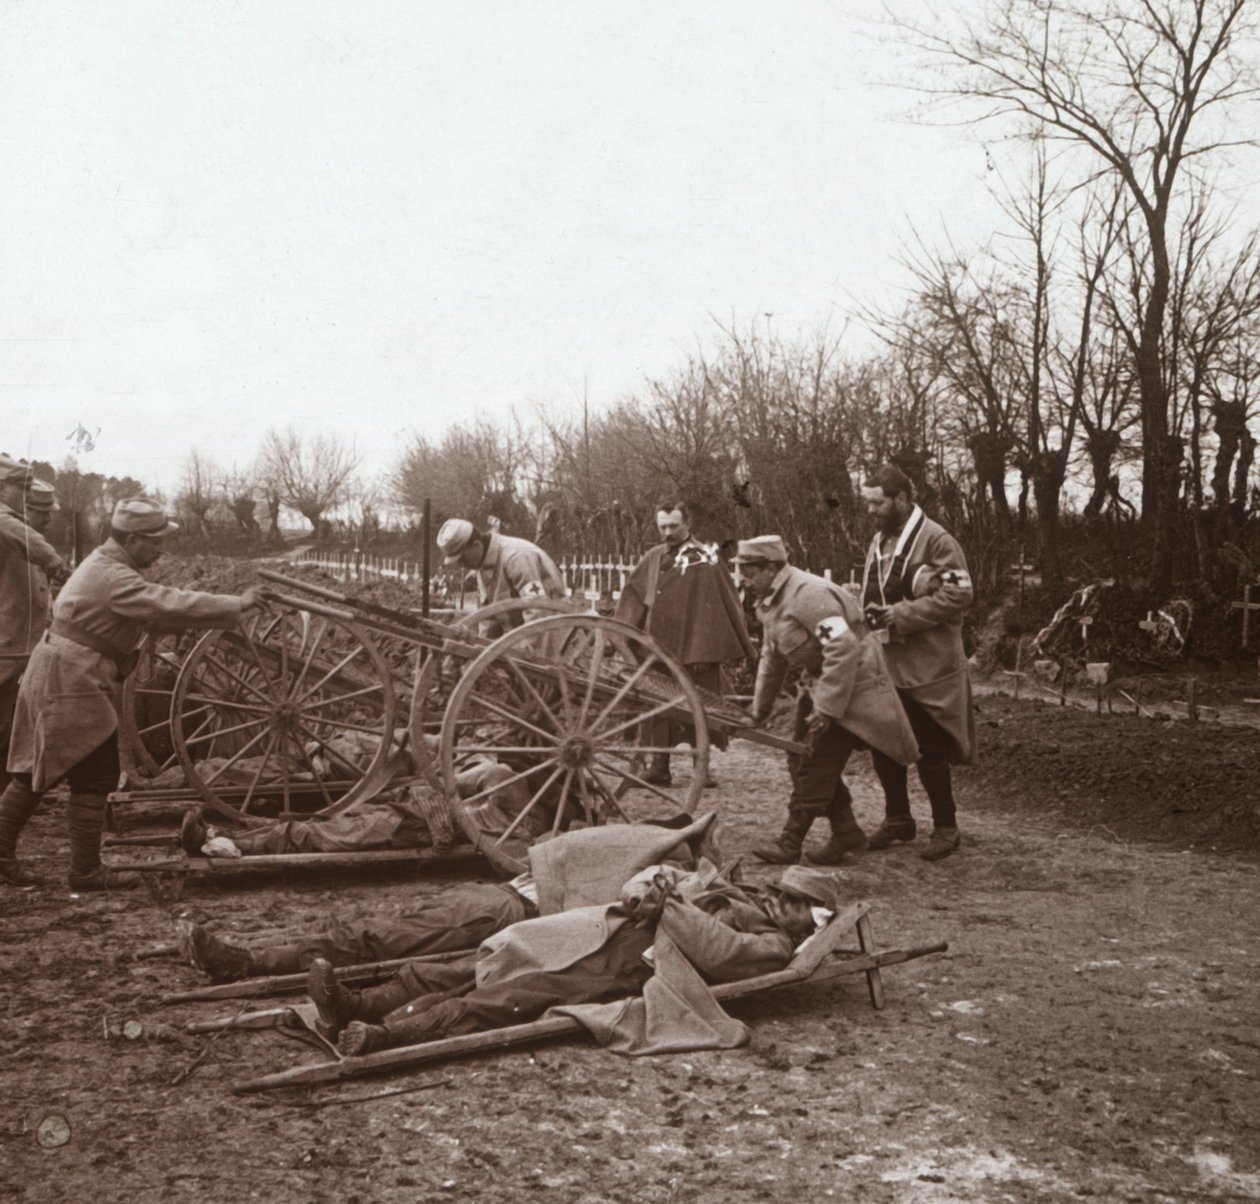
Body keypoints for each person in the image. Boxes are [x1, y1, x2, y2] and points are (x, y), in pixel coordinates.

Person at [307, 856, 839, 1057]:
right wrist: (648, 887)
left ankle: (384, 1036)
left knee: (512, 996)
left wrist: (669, 904)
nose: (780, 901)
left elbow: (722, 953)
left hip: (633, 968)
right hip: (600, 929)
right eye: (781, 891)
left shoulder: (773, 947)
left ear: (812, 921)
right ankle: (354, 1003)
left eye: (796, 904)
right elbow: (660, 875)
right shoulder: (730, 891)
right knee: (478, 960)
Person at [0, 498, 266, 889]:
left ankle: (9, 856)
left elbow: (153, 611)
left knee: (34, 771)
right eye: (155, 541)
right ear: (134, 538)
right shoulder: (112, 576)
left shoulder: (108, 566)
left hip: (61, 673)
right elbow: (164, 601)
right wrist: (236, 603)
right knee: (92, 774)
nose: (161, 549)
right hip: (71, 681)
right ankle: (85, 872)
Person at [177, 815, 716, 983]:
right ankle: (255, 954)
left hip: (506, 910)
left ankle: (246, 962)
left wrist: (659, 880)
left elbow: (639, 896)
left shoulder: (666, 873)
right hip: (497, 898)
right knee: (384, 930)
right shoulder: (649, 852)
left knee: (381, 938)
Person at [737, 535, 919, 865]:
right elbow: (772, 657)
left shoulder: (809, 596)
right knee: (798, 757)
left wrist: (827, 707)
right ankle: (845, 831)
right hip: (823, 682)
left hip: (854, 687)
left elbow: (843, 648)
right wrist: (758, 710)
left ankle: (790, 842)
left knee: (814, 761)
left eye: (749, 572)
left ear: (770, 568)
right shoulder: (772, 602)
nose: (744, 580)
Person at [859, 465, 976, 862]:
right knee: (883, 742)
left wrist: (902, 616)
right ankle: (898, 819)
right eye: (868, 503)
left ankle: (946, 827)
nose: (871, 511)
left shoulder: (938, 540)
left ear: (902, 499)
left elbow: (960, 594)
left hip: (928, 668)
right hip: (889, 662)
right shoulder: (879, 540)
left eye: (878, 502)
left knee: (930, 748)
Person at [615, 500, 754, 786]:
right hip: (657, 649)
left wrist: (704, 648)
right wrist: (623, 636)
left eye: (673, 526)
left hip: (695, 650)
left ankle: (701, 766)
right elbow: (634, 593)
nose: (667, 532)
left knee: (698, 707)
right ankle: (659, 766)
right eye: (662, 526)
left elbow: (715, 606)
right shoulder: (654, 556)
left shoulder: (705, 558)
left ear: (688, 524)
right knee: (656, 707)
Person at [0, 458, 68, 798]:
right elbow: (16, 532)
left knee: (10, 729)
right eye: (21, 490)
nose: (26, 499)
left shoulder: (19, 532)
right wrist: (56, 561)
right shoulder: (6, 524)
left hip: (18, 649)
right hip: (6, 648)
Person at [436, 517, 567, 635]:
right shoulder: (482, 564)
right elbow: (489, 616)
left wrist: (521, 654)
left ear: (476, 545)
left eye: (463, 559)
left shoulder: (516, 558)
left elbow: (537, 610)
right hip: (521, 641)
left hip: (554, 639)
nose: (462, 565)